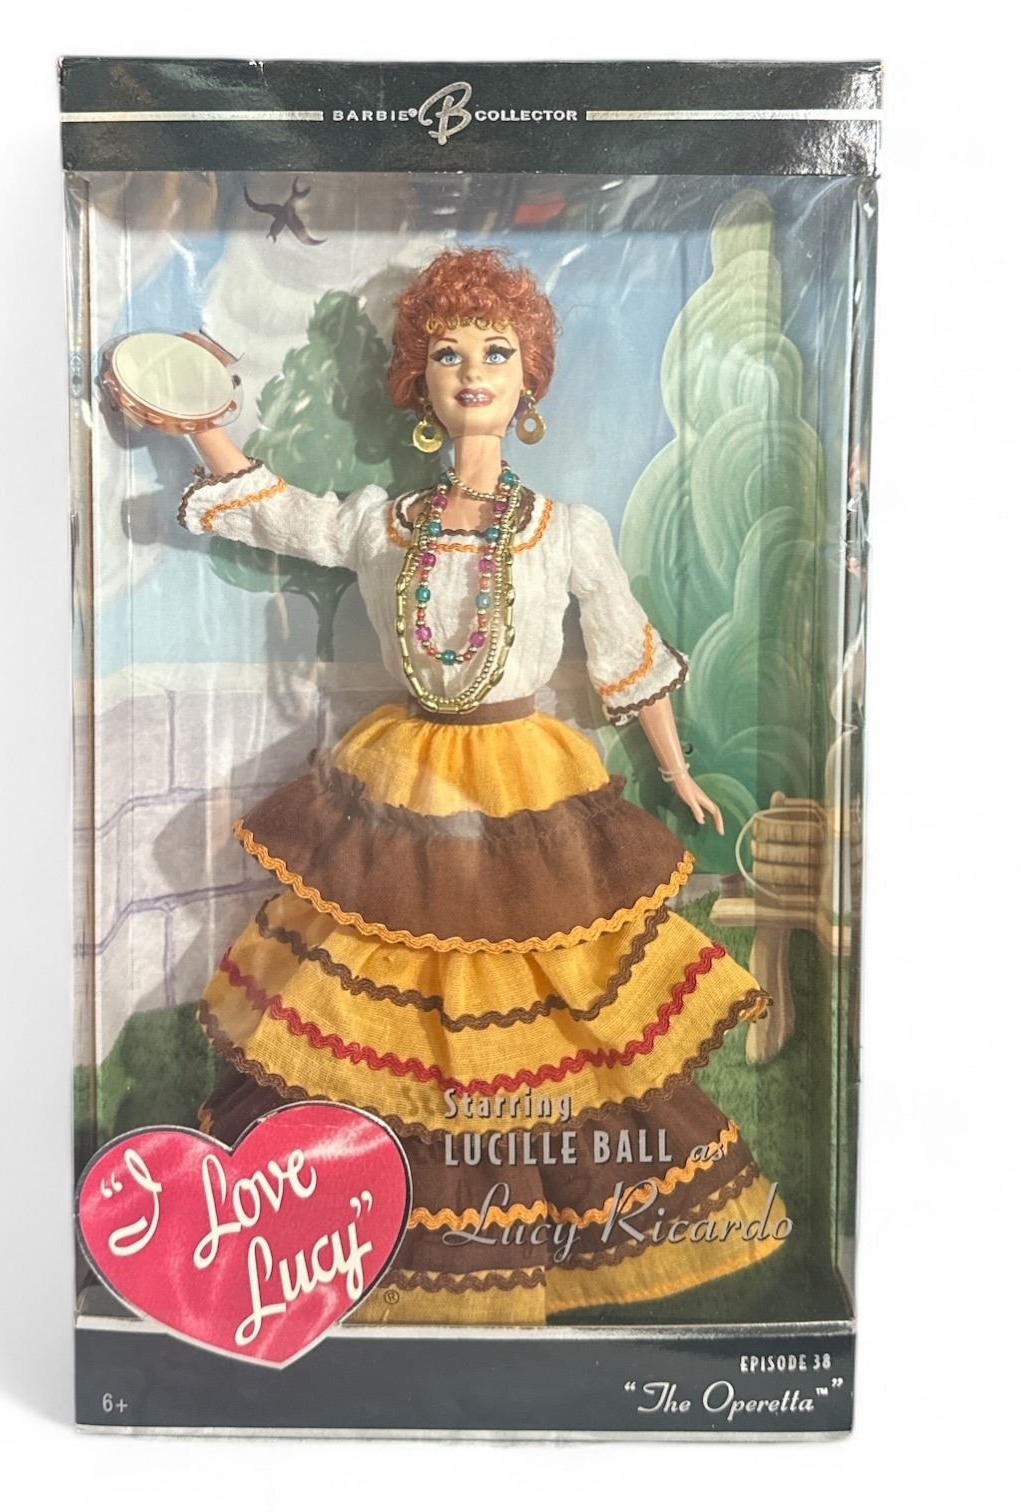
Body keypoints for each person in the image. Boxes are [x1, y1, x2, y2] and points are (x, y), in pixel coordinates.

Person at [176, 246, 787, 1324]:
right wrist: (199, 421)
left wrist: (678, 770)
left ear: (529, 377)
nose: (473, 373)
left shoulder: (565, 531)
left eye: (496, 352)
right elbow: (281, 511)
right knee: (387, 994)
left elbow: (626, 649)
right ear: (419, 379)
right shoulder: (386, 522)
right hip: (405, 774)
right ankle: (345, 1224)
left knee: (546, 998)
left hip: (525, 781)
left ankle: (556, 1227)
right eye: (449, 353)